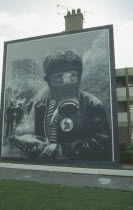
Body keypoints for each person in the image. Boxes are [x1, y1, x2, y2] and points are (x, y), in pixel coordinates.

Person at [34, 49, 112, 161]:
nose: (66, 84)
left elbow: (102, 144)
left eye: (71, 76)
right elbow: (40, 140)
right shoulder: (40, 107)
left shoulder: (92, 104)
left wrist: (60, 150)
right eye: (58, 77)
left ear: (79, 78)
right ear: (47, 81)